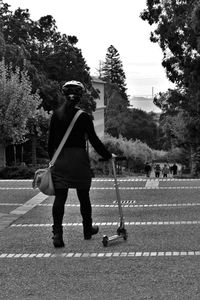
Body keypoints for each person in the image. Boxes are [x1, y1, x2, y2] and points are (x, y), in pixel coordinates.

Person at [48, 80, 112, 247]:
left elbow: (50, 143)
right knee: (84, 196)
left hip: (60, 159)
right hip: (79, 160)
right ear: (80, 97)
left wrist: (52, 162)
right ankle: (87, 229)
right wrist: (108, 155)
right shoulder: (83, 116)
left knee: (60, 198)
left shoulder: (56, 115)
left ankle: (57, 235)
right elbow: (94, 140)